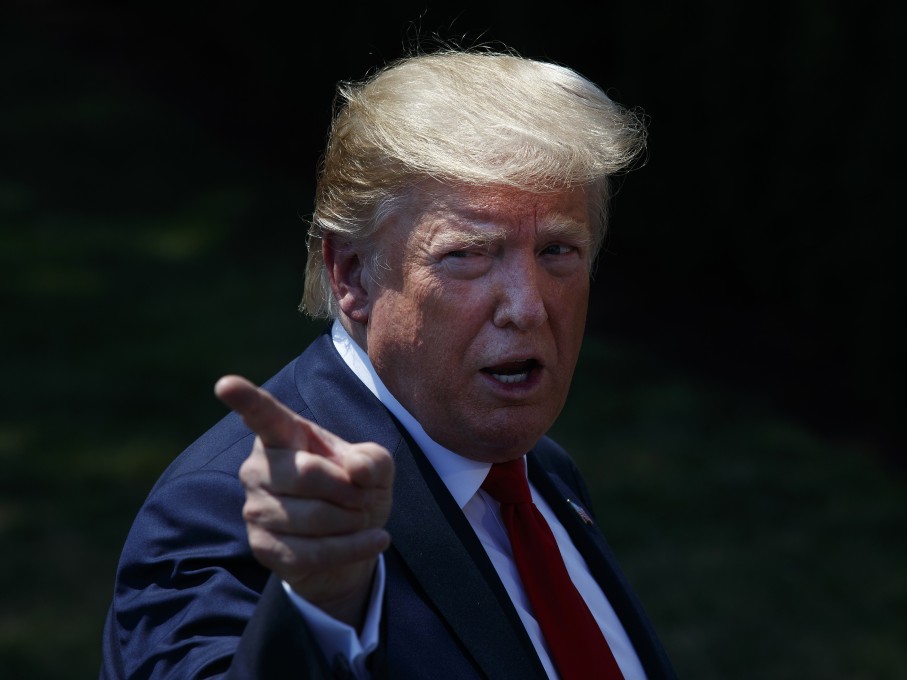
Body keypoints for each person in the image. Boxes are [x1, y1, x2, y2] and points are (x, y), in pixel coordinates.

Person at [100, 46, 676, 680]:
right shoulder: (227, 507)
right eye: (469, 254)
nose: (528, 306)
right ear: (353, 276)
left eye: (558, 249)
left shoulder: (534, 468)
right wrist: (320, 608)